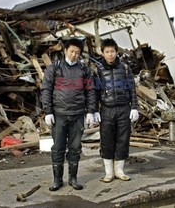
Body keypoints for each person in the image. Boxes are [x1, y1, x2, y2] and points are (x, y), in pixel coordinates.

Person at [41, 38, 95, 191]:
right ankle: (57, 179)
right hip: (59, 115)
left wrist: (91, 111)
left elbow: (90, 91)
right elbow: (46, 90)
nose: (74, 55)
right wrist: (48, 112)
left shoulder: (85, 70)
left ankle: (73, 178)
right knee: (58, 147)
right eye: (71, 51)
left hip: (77, 115)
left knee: (75, 147)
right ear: (65, 51)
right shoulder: (54, 68)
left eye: (77, 53)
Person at [94, 38, 139, 183]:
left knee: (123, 139)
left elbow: (132, 88)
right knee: (107, 140)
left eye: (112, 51)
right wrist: (94, 110)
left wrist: (134, 107)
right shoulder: (99, 70)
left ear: (116, 51)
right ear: (102, 53)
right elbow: (95, 91)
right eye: (106, 52)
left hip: (123, 108)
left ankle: (119, 171)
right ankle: (109, 173)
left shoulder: (125, 69)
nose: (110, 54)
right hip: (106, 109)